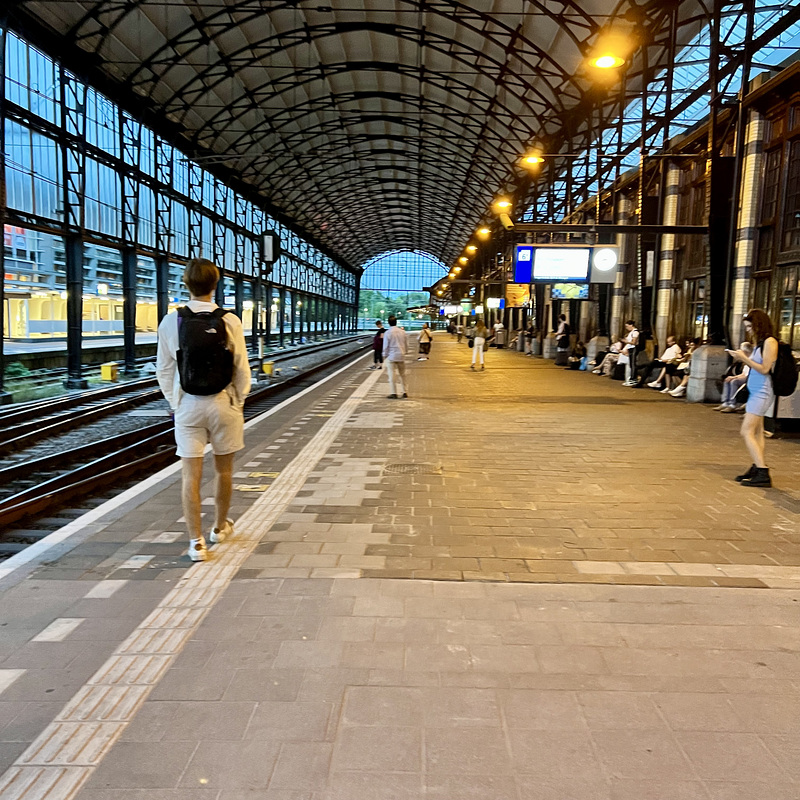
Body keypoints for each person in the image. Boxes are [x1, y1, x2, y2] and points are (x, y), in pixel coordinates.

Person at [156, 258, 251, 562]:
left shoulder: (173, 321)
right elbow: (241, 369)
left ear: (187, 283)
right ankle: (219, 527)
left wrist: (176, 402)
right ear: (215, 283)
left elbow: (165, 369)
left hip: (188, 405)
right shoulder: (230, 320)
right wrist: (237, 400)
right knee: (223, 471)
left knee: (190, 477)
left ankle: (196, 542)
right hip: (223, 403)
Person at [727, 309, 778, 487]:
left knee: (746, 431)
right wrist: (745, 357)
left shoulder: (770, 342)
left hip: (762, 392)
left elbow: (764, 369)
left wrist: (744, 358)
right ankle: (757, 466)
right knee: (756, 431)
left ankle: (763, 472)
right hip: (757, 390)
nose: (748, 330)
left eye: (750, 326)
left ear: (758, 325)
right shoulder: (761, 342)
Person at [714, 342, 753, 412]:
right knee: (728, 379)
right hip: (745, 376)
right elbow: (743, 373)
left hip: (749, 378)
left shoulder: (750, 359)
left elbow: (747, 374)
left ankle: (732, 404)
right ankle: (726, 402)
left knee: (734, 382)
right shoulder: (746, 359)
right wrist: (733, 377)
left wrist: (734, 378)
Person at [383, 315, 408, 398]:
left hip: (392, 356)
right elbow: (406, 343)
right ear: (396, 322)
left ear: (388, 323)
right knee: (402, 374)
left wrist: (384, 355)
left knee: (392, 375)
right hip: (401, 355)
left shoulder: (388, 332)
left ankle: (394, 393)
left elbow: (386, 346)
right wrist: (405, 352)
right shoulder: (402, 332)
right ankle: (405, 392)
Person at [619, 320, 641, 386]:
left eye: (627, 326)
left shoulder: (635, 332)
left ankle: (633, 379)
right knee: (631, 364)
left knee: (633, 364)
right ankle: (631, 379)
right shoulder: (631, 332)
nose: (626, 328)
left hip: (634, 348)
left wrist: (626, 341)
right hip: (630, 349)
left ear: (631, 325)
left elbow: (634, 342)